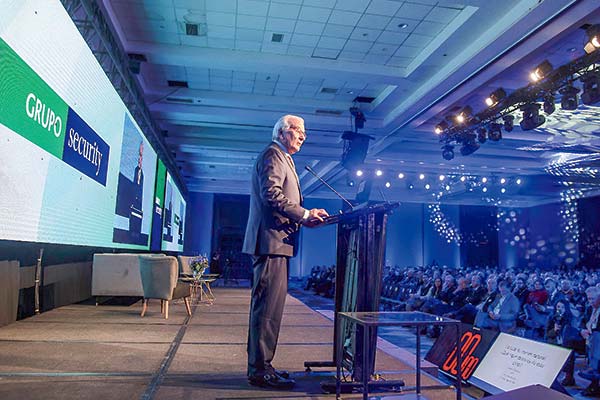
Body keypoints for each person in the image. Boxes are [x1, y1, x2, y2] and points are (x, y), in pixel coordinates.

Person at [242, 114, 329, 390]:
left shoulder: (282, 157)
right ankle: (259, 370)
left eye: (304, 132)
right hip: (270, 242)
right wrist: (304, 214)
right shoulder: (273, 155)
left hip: (276, 242)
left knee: (270, 309)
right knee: (266, 310)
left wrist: (304, 217)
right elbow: (272, 195)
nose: (304, 136)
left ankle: (263, 365)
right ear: (282, 132)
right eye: (298, 131)